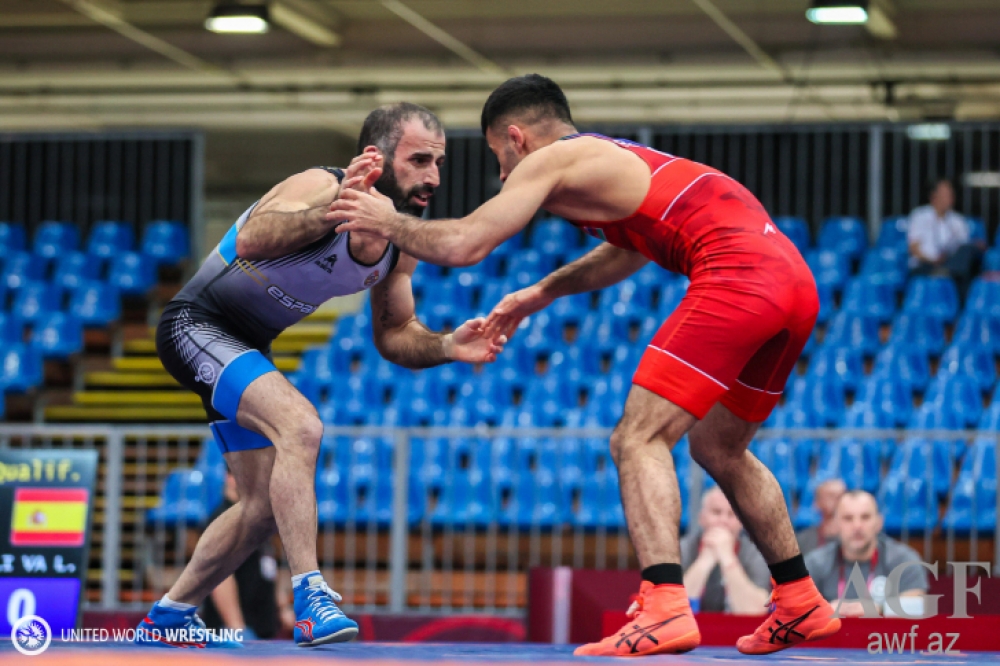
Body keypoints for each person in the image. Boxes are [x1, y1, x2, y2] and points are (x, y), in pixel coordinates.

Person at [331, 74, 839, 656]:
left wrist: (384, 218)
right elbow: (627, 249)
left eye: (500, 159)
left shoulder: (552, 161)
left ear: (516, 138)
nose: (504, 177)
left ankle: (665, 604)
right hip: (793, 282)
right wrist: (540, 291)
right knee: (718, 449)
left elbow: (464, 244)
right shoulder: (611, 160)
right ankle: (801, 598)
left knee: (636, 438)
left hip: (740, 276)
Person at [136, 103, 506, 649]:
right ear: (376, 160)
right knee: (302, 426)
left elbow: (394, 334)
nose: (432, 176)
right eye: (420, 160)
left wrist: (450, 344)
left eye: (439, 162)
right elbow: (252, 239)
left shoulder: (401, 242)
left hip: (246, 345)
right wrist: (332, 213)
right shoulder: (319, 184)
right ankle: (311, 595)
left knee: (260, 508)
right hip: (196, 323)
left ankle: (171, 612)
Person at [200, 470, 294, 640]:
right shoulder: (223, 520)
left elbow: (268, 567)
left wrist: (282, 608)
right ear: (230, 478)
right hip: (234, 633)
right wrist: (237, 627)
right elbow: (219, 579)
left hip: (261, 628)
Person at [805, 490, 929, 617]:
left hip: (883, 636)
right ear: (836, 524)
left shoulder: (903, 559)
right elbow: (799, 611)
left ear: (879, 522)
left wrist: (880, 609)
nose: (857, 526)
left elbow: (917, 605)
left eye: (865, 517)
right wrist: (825, 610)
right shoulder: (815, 562)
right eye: (848, 518)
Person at [681, 488, 770, 615]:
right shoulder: (682, 549)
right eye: (716, 512)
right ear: (702, 518)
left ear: (741, 522)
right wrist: (704, 561)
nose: (723, 520)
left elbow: (755, 612)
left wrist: (728, 559)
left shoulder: (756, 554)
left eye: (731, 514)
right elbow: (672, 610)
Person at [907, 178, 984, 299]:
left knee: (969, 251)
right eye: (945, 193)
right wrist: (933, 260)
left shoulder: (958, 220)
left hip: (950, 263)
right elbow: (914, 249)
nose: (950, 197)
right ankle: (944, 273)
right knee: (959, 276)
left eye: (951, 193)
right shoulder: (919, 216)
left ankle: (945, 272)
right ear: (933, 196)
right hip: (926, 265)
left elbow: (963, 249)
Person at [796, 478, 847, 555]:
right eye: (831, 496)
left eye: (842, 495)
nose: (838, 500)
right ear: (816, 503)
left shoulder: (857, 537)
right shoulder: (802, 540)